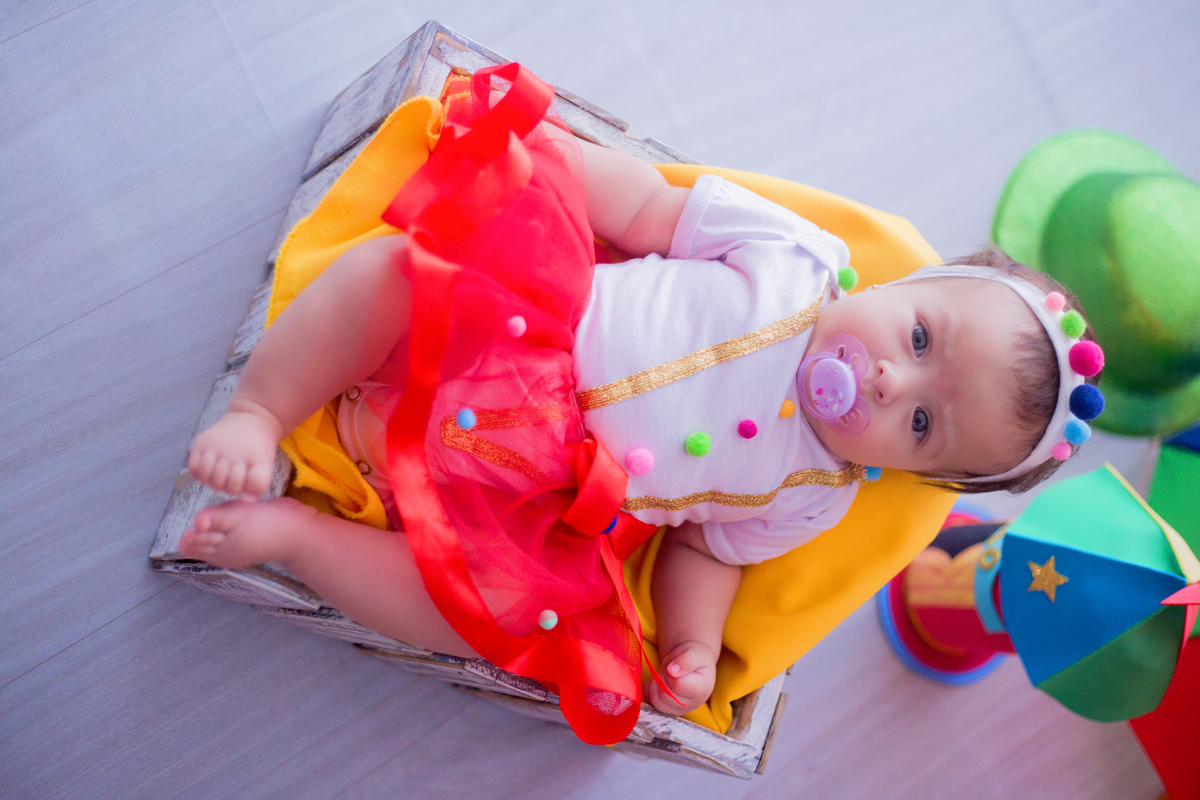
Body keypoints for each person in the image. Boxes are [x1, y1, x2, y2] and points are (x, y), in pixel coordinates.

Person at [179, 65, 1104, 739]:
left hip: (533, 495)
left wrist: (695, 643)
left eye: (920, 423)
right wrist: (553, 164)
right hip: (517, 325)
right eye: (918, 338)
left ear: (914, 470)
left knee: (479, 616)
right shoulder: (796, 257)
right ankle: (263, 409)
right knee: (397, 275)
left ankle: (301, 541)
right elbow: (654, 212)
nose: (890, 382)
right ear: (911, 281)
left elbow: (706, 548)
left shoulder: (817, 493)